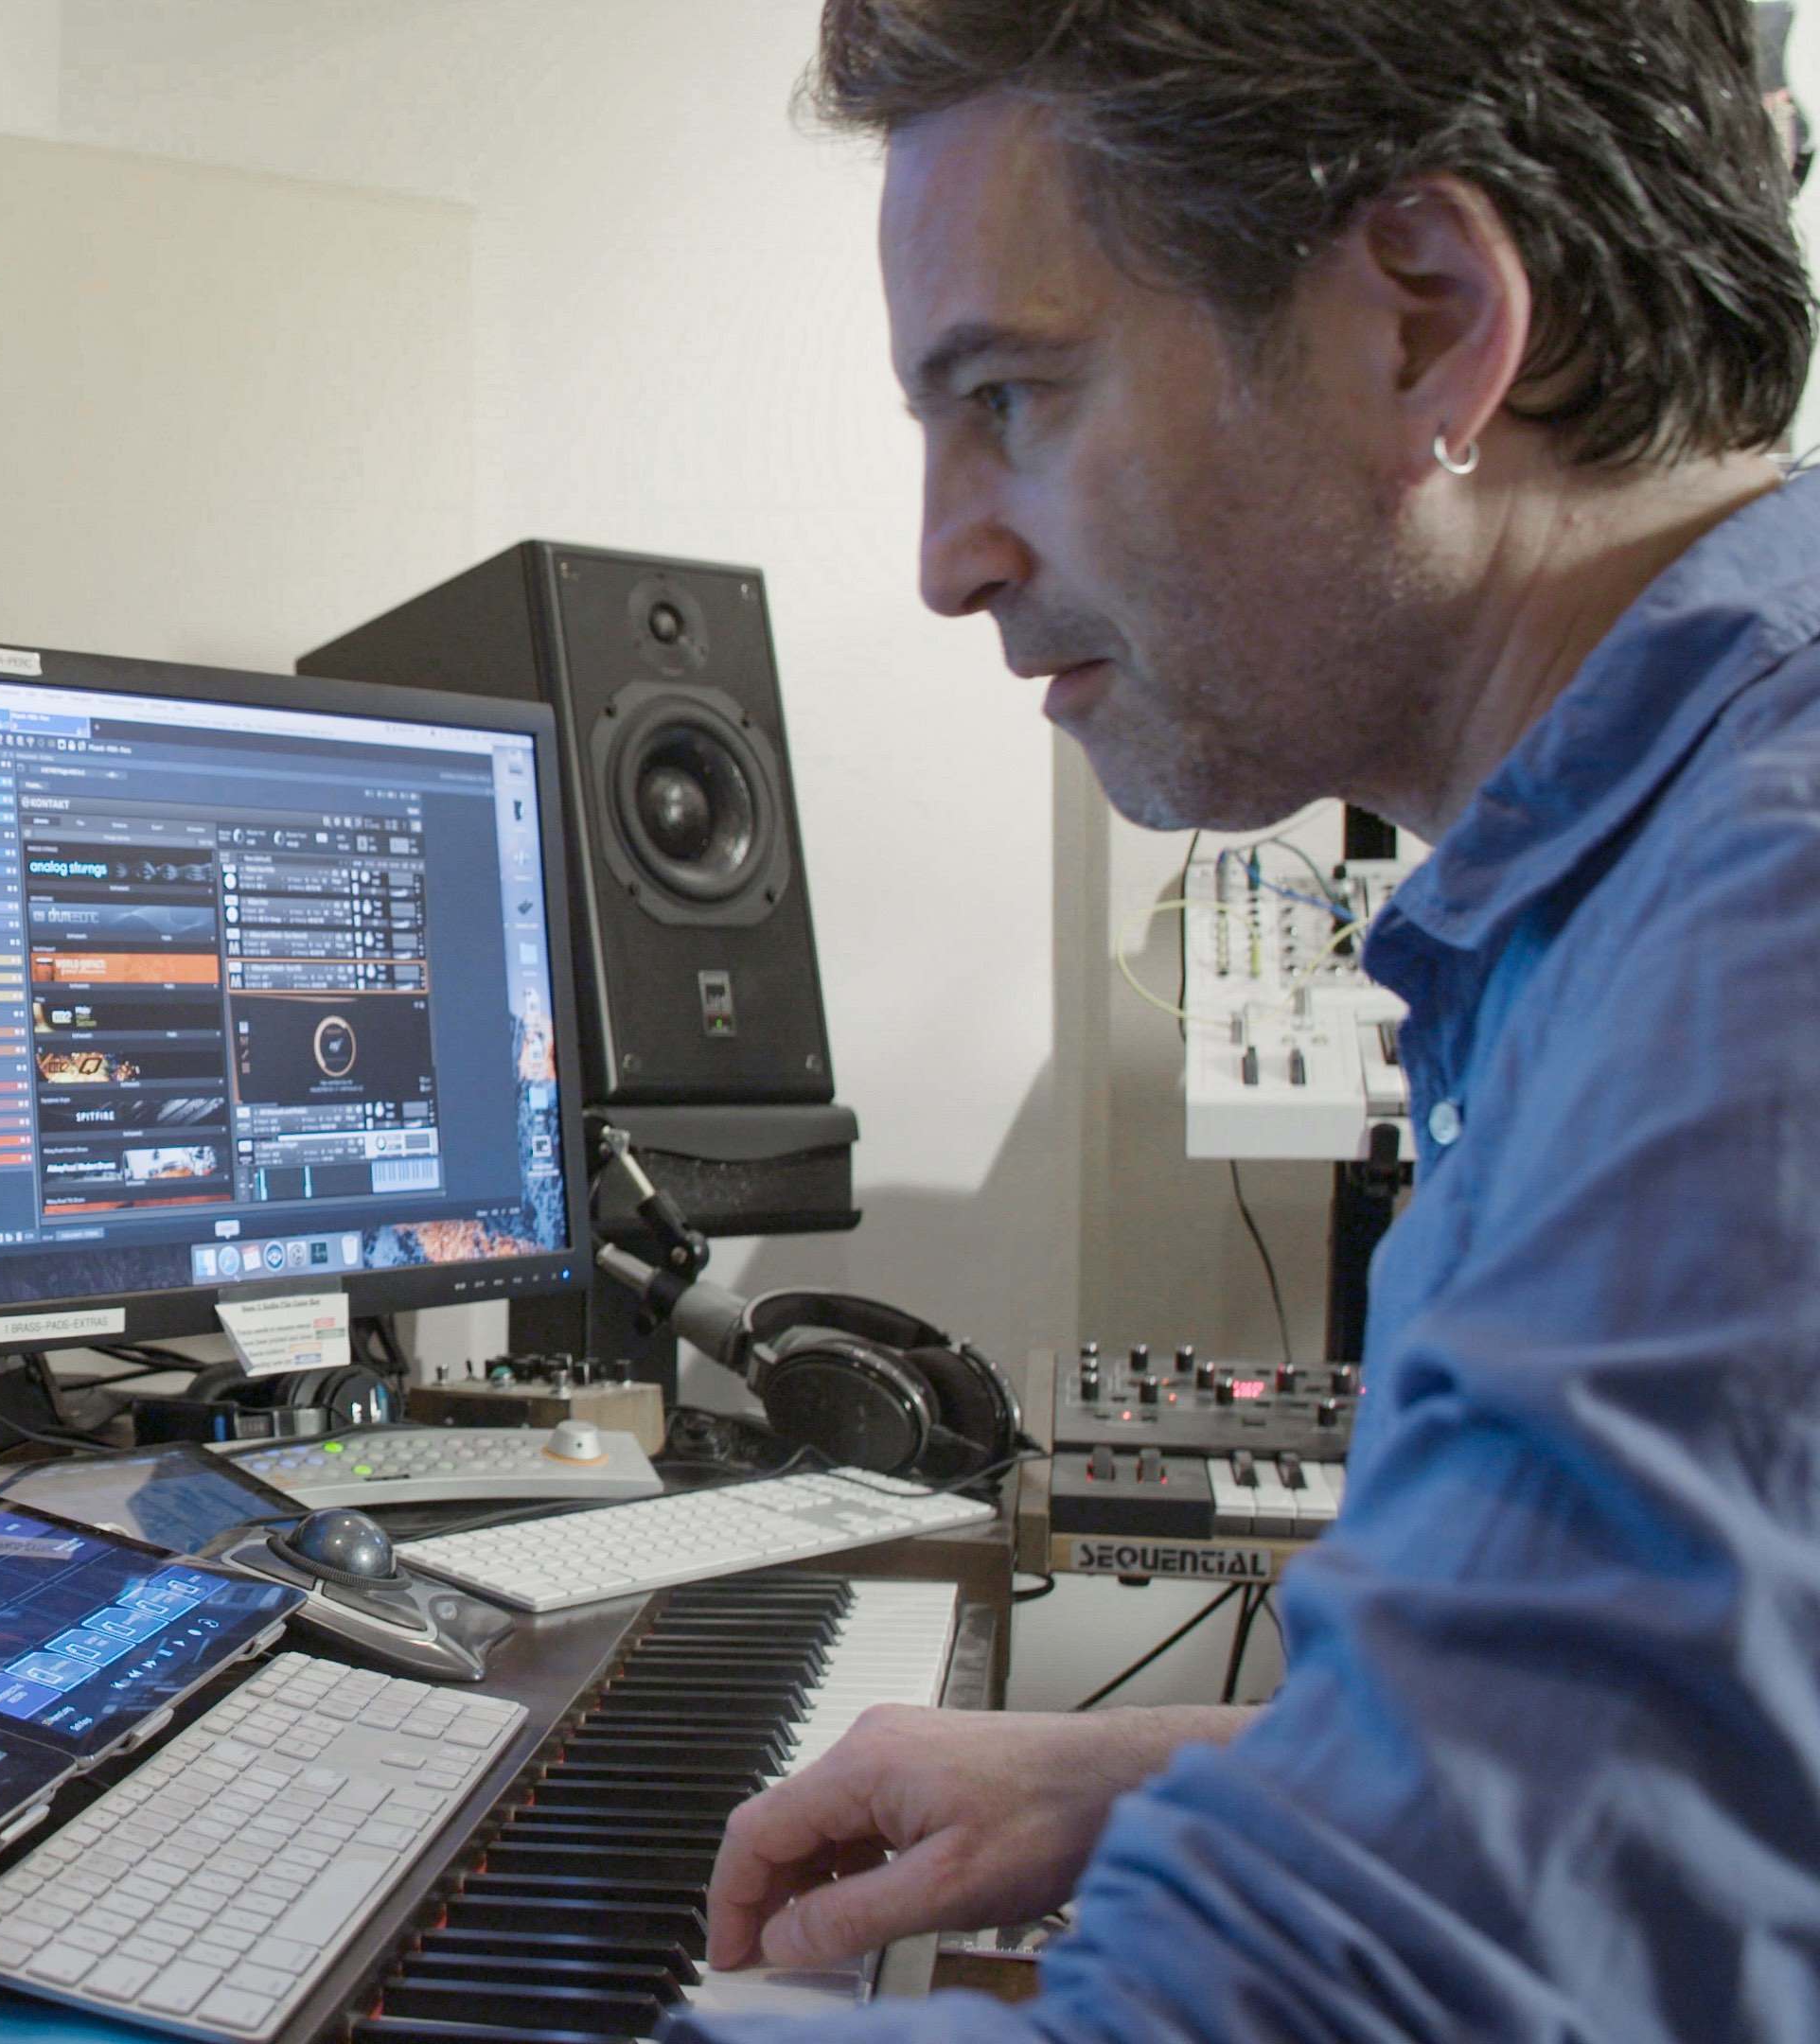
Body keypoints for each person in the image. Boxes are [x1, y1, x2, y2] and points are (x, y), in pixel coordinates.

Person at [678, 2, 1820, 2036]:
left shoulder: (1752, 949)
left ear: (1427, 322)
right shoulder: (1669, 847)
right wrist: (1155, 1774)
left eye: (1011, 400)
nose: (950, 559)